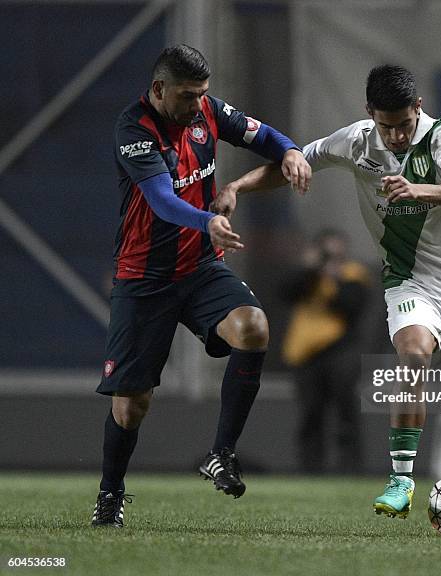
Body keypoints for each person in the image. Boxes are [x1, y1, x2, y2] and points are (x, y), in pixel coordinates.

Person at [212, 65, 441, 536]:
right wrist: (236, 187)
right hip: (409, 279)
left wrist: (420, 189)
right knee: (413, 353)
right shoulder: (356, 141)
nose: (395, 135)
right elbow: (293, 161)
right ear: (369, 113)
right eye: (385, 125)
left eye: (403, 124)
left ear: (418, 109)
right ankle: (400, 480)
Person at [91, 44, 311, 528]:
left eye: (203, 95)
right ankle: (110, 495)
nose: (198, 105)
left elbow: (265, 135)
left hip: (199, 268)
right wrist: (206, 221)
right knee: (131, 406)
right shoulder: (134, 130)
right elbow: (162, 201)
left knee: (253, 328)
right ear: (158, 89)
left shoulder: (208, 112)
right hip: (144, 277)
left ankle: (221, 454)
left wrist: (291, 150)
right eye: (188, 96)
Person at [281, 229, 370, 473]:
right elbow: (285, 292)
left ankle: (350, 467)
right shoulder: (307, 275)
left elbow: (352, 306)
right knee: (310, 412)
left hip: (339, 349)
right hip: (306, 353)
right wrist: (310, 269)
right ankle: (310, 469)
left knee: (345, 410)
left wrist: (335, 278)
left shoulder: (352, 274)